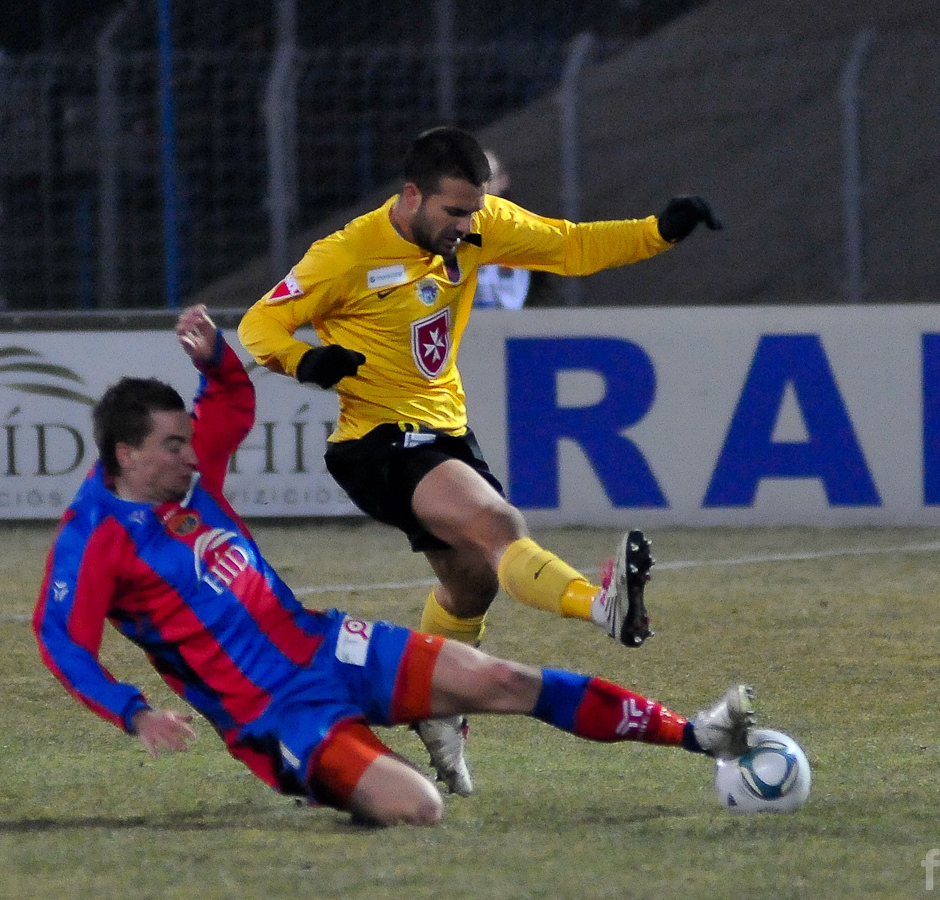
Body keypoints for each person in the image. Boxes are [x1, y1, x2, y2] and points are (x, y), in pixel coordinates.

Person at [33, 305, 758, 826]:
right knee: (419, 807)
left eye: (189, 441)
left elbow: (229, 399)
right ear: (127, 454)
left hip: (326, 645)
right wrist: (133, 713)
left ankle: (696, 734)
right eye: (173, 446)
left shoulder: (193, 480)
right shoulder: (94, 537)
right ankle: (352, 765)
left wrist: (215, 358)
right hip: (276, 714)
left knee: (506, 681)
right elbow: (61, 640)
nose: (192, 455)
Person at [236, 126, 722, 796]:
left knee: (469, 588)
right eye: (455, 212)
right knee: (497, 524)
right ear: (412, 196)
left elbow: (570, 246)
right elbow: (259, 324)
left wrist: (660, 231)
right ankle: (601, 605)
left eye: (474, 211)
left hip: (446, 433)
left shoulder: (477, 225)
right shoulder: (345, 254)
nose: (467, 227)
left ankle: (436, 710)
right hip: (375, 442)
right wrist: (305, 359)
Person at [471, 150, 551, 309]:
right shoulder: (445, 232)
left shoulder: (527, 230)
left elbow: (543, 287)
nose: (482, 187)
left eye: (488, 179)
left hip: (514, 320)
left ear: (503, 181)